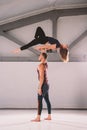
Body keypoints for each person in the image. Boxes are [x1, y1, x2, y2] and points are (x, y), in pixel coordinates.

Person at [31, 52, 51, 122]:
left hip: (43, 85)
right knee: (47, 101)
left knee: (39, 101)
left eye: (40, 55)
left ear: (42, 57)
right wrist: (43, 50)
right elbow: (45, 55)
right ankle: (49, 116)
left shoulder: (41, 65)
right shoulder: (45, 64)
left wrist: (39, 88)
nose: (39, 56)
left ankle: (38, 118)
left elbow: (42, 78)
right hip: (46, 85)